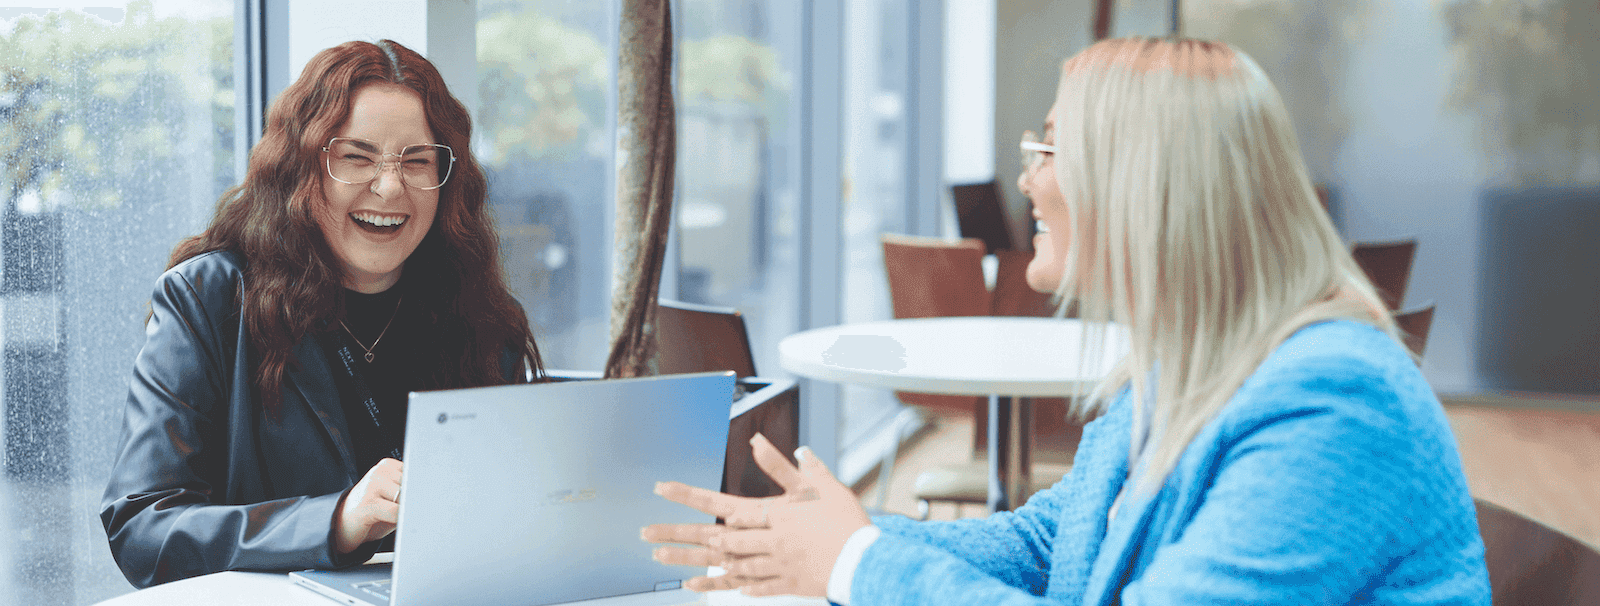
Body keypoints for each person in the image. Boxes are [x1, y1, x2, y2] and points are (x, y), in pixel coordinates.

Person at [643, 36, 1491, 604]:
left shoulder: (1337, 403)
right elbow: (1053, 546)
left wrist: (856, 562)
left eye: (1050, 149)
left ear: (1146, 185)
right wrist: (817, 536)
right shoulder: (1181, 364)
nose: (1028, 181)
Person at [101, 39, 544, 588]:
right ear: (301, 169)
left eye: (417, 161)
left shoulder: (477, 311)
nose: (389, 187)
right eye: (356, 157)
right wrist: (335, 521)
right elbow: (142, 527)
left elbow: (521, 511)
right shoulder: (207, 298)